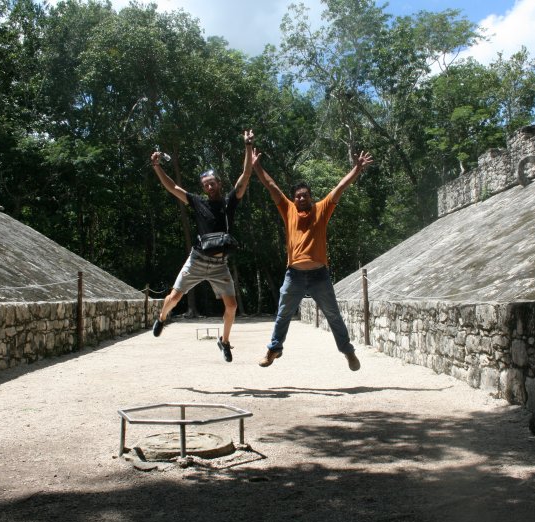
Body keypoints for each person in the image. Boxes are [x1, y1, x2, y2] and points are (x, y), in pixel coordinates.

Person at [252, 146, 373, 371]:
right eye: (298, 196)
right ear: (294, 199)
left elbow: (340, 187)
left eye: (305, 195)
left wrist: (356, 170)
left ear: (310, 197)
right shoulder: (287, 209)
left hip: (319, 275)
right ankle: (274, 349)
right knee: (283, 314)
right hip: (294, 275)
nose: (301, 198)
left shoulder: (322, 209)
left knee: (333, 315)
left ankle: (348, 351)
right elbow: (271, 185)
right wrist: (256, 165)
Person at [149, 130, 254, 362]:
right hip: (197, 260)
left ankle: (224, 341)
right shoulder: (197, 202)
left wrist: (247, 145)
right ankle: (162, 318)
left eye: (212, 183)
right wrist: (157, 167)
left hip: (219, 264)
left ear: (219, 183)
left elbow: (246, 175)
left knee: (232, 306)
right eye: (205, 184)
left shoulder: (229, 202)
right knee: (174, 298)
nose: (209, 187)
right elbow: (173, 188)